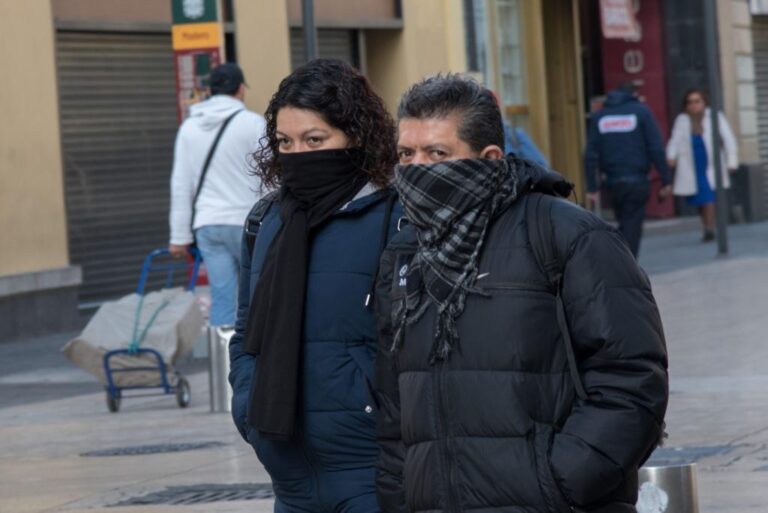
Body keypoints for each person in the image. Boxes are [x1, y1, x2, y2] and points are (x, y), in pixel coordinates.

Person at [374, 74, 669, 513]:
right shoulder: (405, 251)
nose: (417, 170)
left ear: (489, 157)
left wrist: (558, 484)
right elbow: (393, 400)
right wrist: (400, 494)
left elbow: (631, 379)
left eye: (437, 153)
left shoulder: (567, 234)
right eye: (406, 154)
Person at [228, 59, 401, 513]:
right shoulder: (267, 222)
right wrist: (248, 407)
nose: (298, 155)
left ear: (357, 135)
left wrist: (379, 417)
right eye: (285, 142)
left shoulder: (396, 216)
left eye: (315, 140)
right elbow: (247, 333)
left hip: (370, 471)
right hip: (288, 474)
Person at [168, 62, 266, 326]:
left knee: (222, 297)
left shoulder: (189, 128)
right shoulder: (253, 124)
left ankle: (224, 362)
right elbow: (271, 178)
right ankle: (258, 361)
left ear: (210, 91)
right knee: (259, 294)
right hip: (248, 224)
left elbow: (181, 184)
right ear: (241, 89)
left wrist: (179, 237)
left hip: (208, 225)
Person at [584, 82, 673, 257]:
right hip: (637, 179)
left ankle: (621, 261)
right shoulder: (642, 112)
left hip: (613, 181)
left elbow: (590, 153)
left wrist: (592, 186)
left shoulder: (600, 116)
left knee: (624, 221)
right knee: (632, 224)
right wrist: (666, 179)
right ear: (632, 94)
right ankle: (627, 264)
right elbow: (655, 147)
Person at [666, 88, 738, 242]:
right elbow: (675, 140)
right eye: (690, 102)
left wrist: (731, 161)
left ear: (704, 102)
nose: (693, 105)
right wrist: (671, 156)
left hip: (710, 163)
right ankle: (706, 225)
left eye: (697, 101)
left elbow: (728, 139)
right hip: (691, 164)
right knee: (698, 199)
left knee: (708, 196)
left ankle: (709, 228)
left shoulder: (714, 117)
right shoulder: (682, 120)